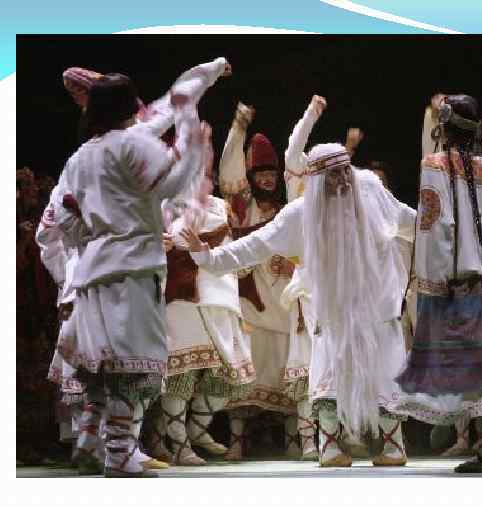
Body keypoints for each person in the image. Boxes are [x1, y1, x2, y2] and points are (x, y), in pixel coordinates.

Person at [182, 95, 417, 467]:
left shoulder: (371, 190)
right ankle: (331, 447)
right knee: (329, 378)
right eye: (333, 176)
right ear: (317, 180)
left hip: (379, 309)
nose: (342, 182)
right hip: (331, 314)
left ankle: (392, 446)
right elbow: (254, 246)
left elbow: (408, 222)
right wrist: (208, 258)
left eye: (345, 172)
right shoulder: (300, 214)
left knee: (386, 374)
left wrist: (441, 229)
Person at [46, 58, 230, 477]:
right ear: (131, 107)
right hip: (132, 268)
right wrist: (195, 144)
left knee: (100, 365)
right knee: (132, 365)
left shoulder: (79, 157)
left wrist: (93, 238)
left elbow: (65, 217)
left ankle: (89, 442)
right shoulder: (133, 143)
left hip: (92, 272)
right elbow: (172, 184)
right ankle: (118, 453)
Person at [393, 94, 482, 473]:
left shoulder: (435, 166)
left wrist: (430, 283)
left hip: (458, 287)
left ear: (443, 127)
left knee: (470, 372)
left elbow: (435, 227)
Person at [146, 125, 256, 466]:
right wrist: (160, 243)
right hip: (185, 297)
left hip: (223, 298)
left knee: (228, 379)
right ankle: (179, 443)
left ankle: (192, 429)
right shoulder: (165, 205)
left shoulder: (221, 206)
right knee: (182, 374)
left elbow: (232, 248)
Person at [218, 104, 298, 460]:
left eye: (272, 174)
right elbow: (229, 171)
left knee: (285, 367)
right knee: (247, 370)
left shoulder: (285, 210)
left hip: (281, 301)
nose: (268, 179)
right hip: (248, 300)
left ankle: (295, 440)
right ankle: (236, 442)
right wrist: (238, 129)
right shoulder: (243, 205)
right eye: (261, 173)